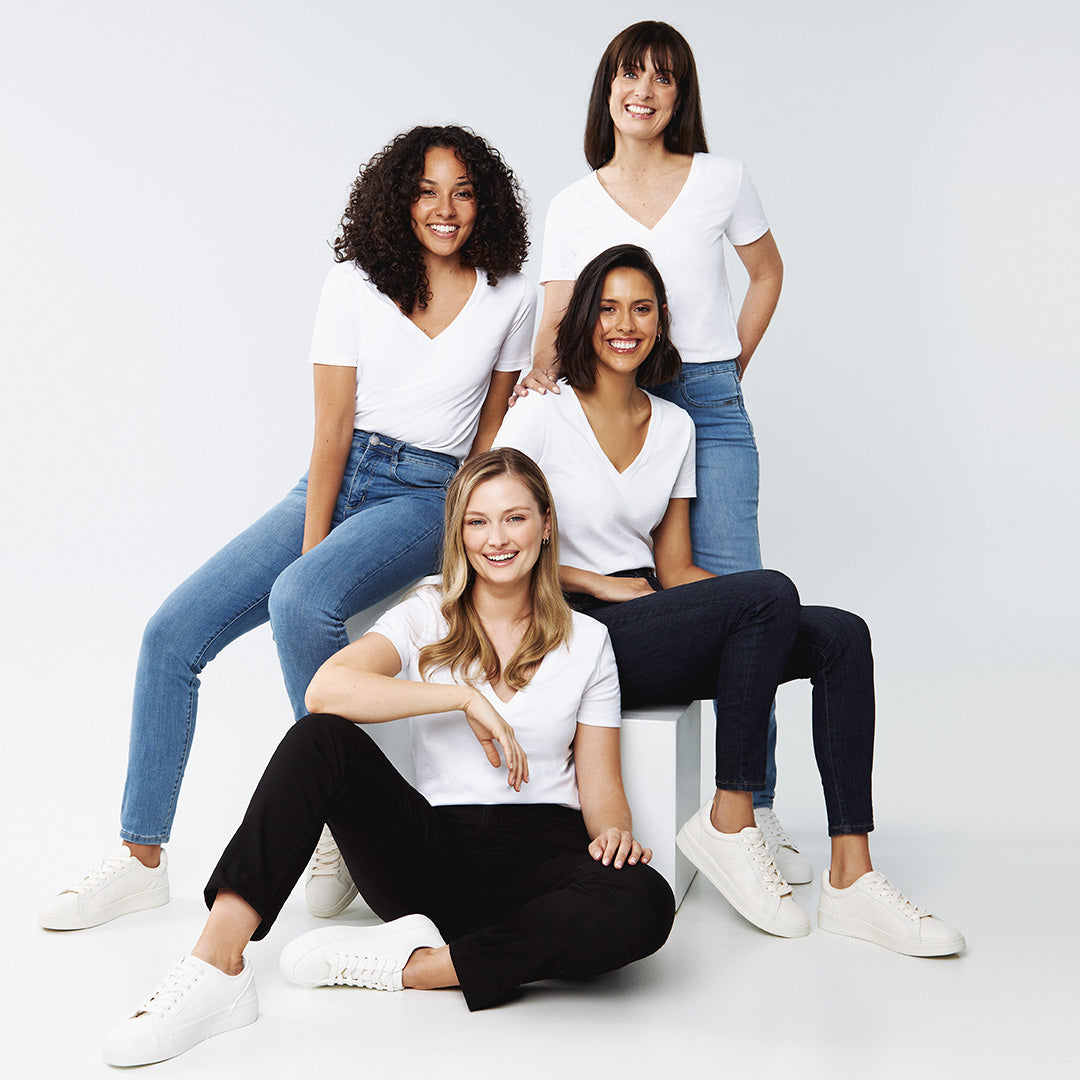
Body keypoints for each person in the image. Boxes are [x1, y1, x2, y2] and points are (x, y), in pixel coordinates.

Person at [39, 125, 535, 932]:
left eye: (463, 192)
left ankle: (340, 808)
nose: (445, 208)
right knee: (172, 634)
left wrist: (469, 524)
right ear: (399, 200)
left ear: (486, 203)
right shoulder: (353, 284)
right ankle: (140, 857)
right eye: (426, 191)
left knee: (301, 599)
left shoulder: (510, 295)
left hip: (429, 495)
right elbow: (332, 431)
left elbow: (488, 432)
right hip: (340, 473)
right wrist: (316, 549)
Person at [100, 449, 675, 1067]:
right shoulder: (429, 612)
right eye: (477, 521)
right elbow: (326, 690)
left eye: (514, 518)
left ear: (546, 524)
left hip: (544, 861)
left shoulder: (589, 641)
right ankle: (217, 967)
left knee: (645, 899)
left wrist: (615, 835)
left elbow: (601, 785)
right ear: (458, 533)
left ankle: (417, 967)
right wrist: (462, 697)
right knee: (319, 738)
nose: (497, 538)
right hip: (433, 859)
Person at [495, 245, 965, 954]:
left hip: (648, 613)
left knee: (840, 633)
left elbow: (676, 568)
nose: (625, 324)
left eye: (642, 309)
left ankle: (852, 875)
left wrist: (757, 614)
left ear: (661, 322)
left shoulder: (674, 426)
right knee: (768, 593)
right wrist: (592, 581)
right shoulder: (542, 414)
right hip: (573, 626)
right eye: (609, 308)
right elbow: (483, 539)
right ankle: (730, 818)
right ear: (585, 318)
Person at [513, 21, 801, 878]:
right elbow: (558, 312)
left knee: (739, 590)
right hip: (606, 389)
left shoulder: (722, 179)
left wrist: (728, 369)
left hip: (704, 399)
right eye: (629, 74)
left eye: (663, 77)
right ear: (608, 89)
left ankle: (754, 807)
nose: (644, 90)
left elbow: (768, 273)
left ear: (681, 95)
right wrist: (537, 384)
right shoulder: (574, 203)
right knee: (643, 583)